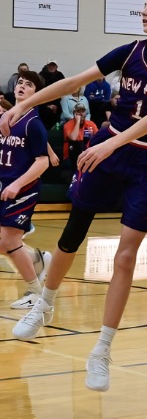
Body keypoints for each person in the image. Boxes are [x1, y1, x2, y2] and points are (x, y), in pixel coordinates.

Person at [6, 0, 147, 393]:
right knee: (73, 232)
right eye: (144, 5)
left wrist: (110, 144)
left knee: (125, 257)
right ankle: (44, 305)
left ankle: (102, 351)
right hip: (110, 149)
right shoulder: (128, 52)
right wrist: (24, 104)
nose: (143, 11)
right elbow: (75, 81)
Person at [0, 71, 52, 310]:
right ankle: (38, 259)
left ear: (37, 93)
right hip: (4, 185)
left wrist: (17, 184)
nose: (22, 86)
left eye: (28, 84)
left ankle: (35, 292)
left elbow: (43, 162)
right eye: (20, 82)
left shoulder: (33, 123)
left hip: (22, 188)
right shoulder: (7, 119)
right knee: (5, 244)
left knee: (10, 240)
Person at [63, 103, 99, 168]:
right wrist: (78, 121)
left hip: (87, 152)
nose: (81, 113)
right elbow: (73, 138)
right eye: (78, 111)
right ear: (74, 113)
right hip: (72, 155)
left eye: (83, 111)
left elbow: (98, 138)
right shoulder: (68, 125)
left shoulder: (91, 124)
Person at [38, 60, 65, 129]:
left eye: (53, 65)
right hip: (43, 102)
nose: (52, 67)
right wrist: (48, 105)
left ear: (56, 67)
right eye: (50, 65)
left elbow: (63, 88)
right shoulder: (41, 75)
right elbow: (39, 91)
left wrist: (55, 104)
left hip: (57, 101)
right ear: (47, 66)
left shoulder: (60, 75)